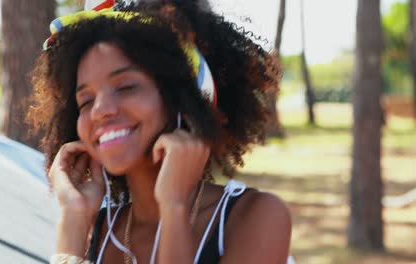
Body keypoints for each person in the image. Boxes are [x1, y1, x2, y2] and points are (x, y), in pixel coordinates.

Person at [27, 0, 292, 263]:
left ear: (186, 99)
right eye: (85, 101)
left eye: (126, 87)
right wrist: (73, 219)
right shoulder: (97, 229)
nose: (100, 110)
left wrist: (174, 207)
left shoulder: (255, 216)